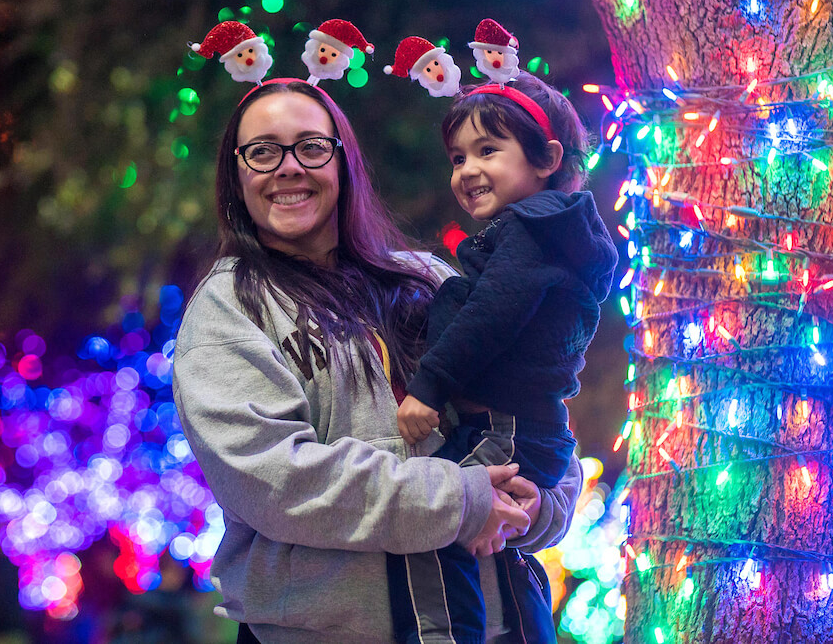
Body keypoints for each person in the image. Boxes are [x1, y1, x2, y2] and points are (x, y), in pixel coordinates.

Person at [171, 78, 584, 643]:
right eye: (263, 151)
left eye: (311, 147)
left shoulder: (428, 278)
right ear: (235, 175)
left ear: (344, 164)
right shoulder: (228, 310)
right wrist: (458, 500)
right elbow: (273, 478)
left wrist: (539, 505)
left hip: (495, 623)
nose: (288, 167)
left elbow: (535, 400)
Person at [390, 72, 618, 643]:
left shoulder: (530, 231)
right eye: (457, 156)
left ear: (546, 159)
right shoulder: (544, 231)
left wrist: (429, 386)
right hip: (524, 428)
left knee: (433, 525)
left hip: (506, 426)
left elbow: (493, 313)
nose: (467, 170)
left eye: (488, 150)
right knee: (494, 551)